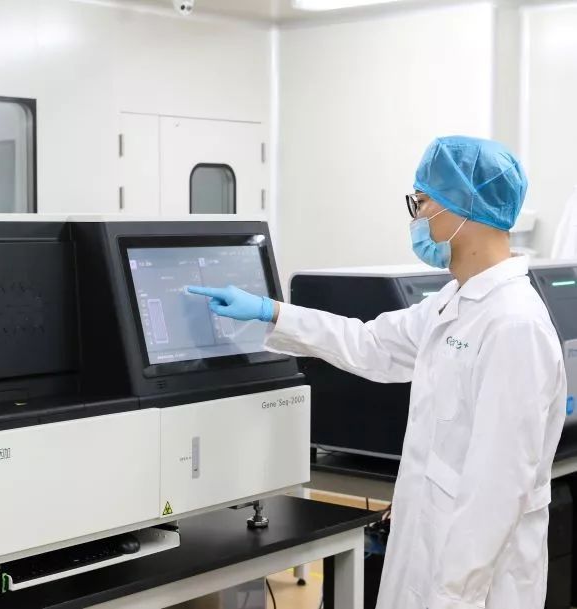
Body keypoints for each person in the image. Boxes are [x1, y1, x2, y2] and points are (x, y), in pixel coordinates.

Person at [189, 136, 566, 609]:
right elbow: (370, 344)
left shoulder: (513, 326)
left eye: (421, 202)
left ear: (463, 207)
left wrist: (453, 599)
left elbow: (497, 491)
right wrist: (272, 312)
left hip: (474, 588)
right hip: (427, 554)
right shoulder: (455, 302)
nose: (417, 217)